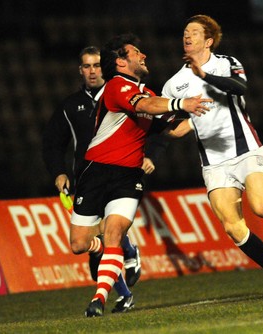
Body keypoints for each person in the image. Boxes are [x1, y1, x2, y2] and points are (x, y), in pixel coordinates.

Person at [161, 15, 263, 299]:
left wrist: (205, 77)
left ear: (208, 40)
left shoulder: (226, 63)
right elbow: (175, 125)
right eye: (185, 32)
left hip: (245, 149)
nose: (187, 36)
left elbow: (241, 88)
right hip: (213, 162)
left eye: (194, 32)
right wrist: (173, 129)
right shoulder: (174, 84)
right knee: (233, 228)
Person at [69, 34, 212, 317]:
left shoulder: (147, 93)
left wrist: (209, 115)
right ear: (121, 62)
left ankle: (98, 300)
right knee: (79, 244)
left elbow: (172, 129)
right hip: (96, 172)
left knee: (114, 233)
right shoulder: (116, 86)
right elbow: (144, 106)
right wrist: (180, 104)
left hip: (128, 175)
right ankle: (115, 252)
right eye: (137, 52)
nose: (144, 55)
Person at [42, 46, 147, 313]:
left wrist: (149, 154)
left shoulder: (121, 92)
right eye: (87, 66)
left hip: (119, 174)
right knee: (87, 251)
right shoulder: (70, 106)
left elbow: (149, 122)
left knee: (110, 234)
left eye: (97, 65)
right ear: (80, 70)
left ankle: (114, 290)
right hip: (87, 179)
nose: (92, 71)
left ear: (106, 67)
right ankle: (125, 276)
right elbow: (53, 143)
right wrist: (59, 172)